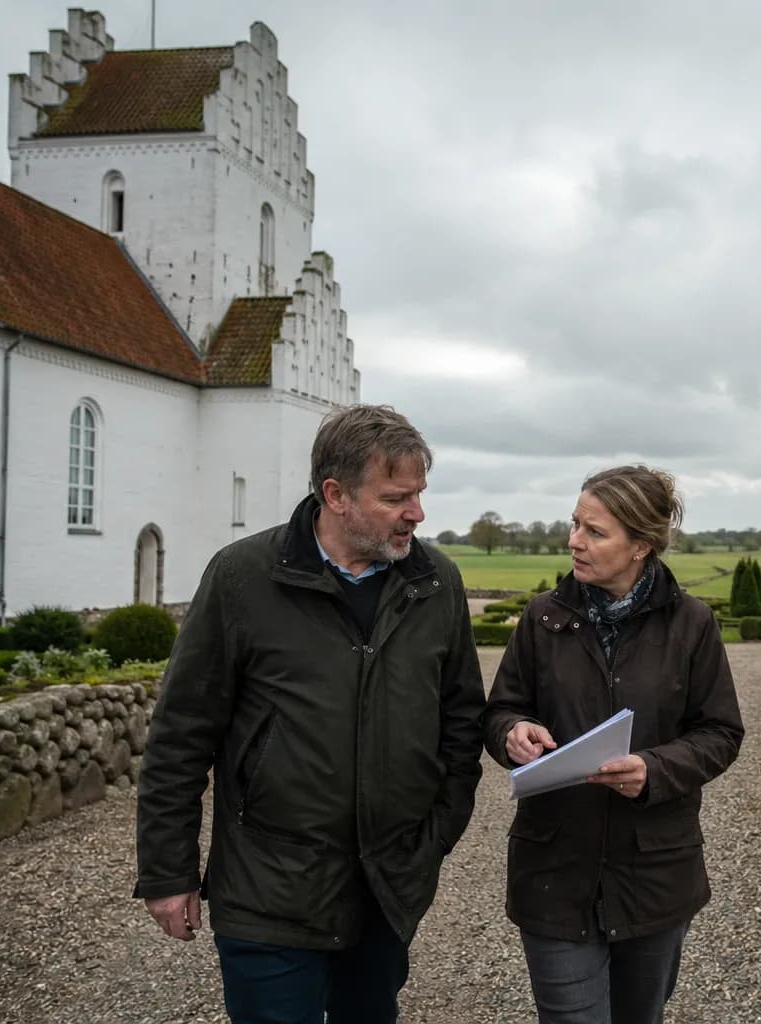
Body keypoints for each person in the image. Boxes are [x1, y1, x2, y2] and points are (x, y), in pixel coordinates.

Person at [134, 404, 486, 1024]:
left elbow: (461, 719)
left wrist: (434, 835)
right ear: (336, 495)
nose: (417, 514)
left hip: (386, 888)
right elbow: (181, 734)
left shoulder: (436, 582)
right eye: (396, 497)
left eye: (420, 494)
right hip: (268, 886)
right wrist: (168, 870)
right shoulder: (243, 576)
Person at [483, 465, 745, 1024]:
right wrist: (512, 733)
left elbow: (721, 733)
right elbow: (500, 710)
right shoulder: (542, 618)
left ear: (641, 546)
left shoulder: (693, 625)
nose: (574, 540)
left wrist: (654, 769)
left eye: (595, 531)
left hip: (655, 875)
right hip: (553, 868)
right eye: (575, 523)